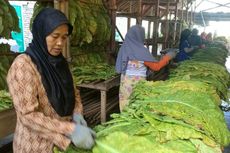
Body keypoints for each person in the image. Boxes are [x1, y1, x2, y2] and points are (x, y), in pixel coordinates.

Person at [7, 8, 95, 153]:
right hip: (35, 146)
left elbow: (74, 93)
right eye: (55, 36)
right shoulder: (23, 66)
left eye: (64, 37)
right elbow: (28, 116)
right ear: (41, 34)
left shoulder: (60, 63)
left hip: (62, 145)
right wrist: (71, 129)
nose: (60, 43)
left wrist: (78, 114)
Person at [115, 25, 177, 111]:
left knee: (126, 104)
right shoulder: (141, 51)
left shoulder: (123, 48)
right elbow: (156, 67)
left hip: (125, 82)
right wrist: (168, 57)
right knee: (137, 105)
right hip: (138, 83)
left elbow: (120, 66)